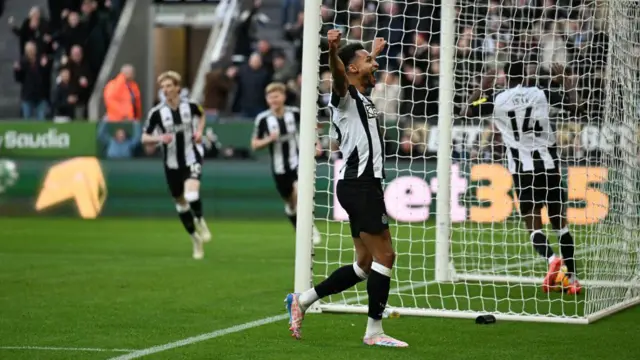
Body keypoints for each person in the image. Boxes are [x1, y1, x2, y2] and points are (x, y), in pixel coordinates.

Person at [285, 30, 408, 347]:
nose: (373, 63)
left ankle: (303, 299)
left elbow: (360, 72)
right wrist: (332, 50)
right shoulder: (343, 95)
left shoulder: (362, 97)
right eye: (366, 60)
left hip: (360, 184)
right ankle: (374, 332)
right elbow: (340, 74)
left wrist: (374, 53)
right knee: (386, 255)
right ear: (350, 68)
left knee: (365, 264)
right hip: (360, 184)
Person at [461, 61, 583, 295]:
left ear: (505, 76)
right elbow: (576, 108)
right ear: (526, 74)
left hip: (522, 171)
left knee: (533, 225)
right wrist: (567, 83)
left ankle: (551, 259)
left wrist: (482, 88)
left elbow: (466, 111)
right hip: (550, 168)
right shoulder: (542, 94)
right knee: (561, 226)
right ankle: (574, 280)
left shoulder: (498, 98)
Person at [141, 71, 211, 260]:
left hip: (191, 156)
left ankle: (200, 221)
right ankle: (195, 239)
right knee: (180, 203)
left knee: (192, 193)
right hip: (171, 164)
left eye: (169, 86)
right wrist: (159, 138)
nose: (166, 90)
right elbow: (144, 137)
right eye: (163, 87)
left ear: (177, 87)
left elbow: (202, 115)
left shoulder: (191, 106)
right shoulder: (157, 112)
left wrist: (199, 132)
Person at [251, 82, 322, 245]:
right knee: (290, 204)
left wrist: (316, 144)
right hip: (279, 168)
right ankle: (299, 227)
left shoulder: (295, 113)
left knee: (300, 194)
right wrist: (269, 139)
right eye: (270, 97)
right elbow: (254, 144)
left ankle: (311, 229)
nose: (274, 100)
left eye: (276, 96)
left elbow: (313, 126)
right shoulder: (263, 119)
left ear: (283, 97)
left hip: (298, 162)